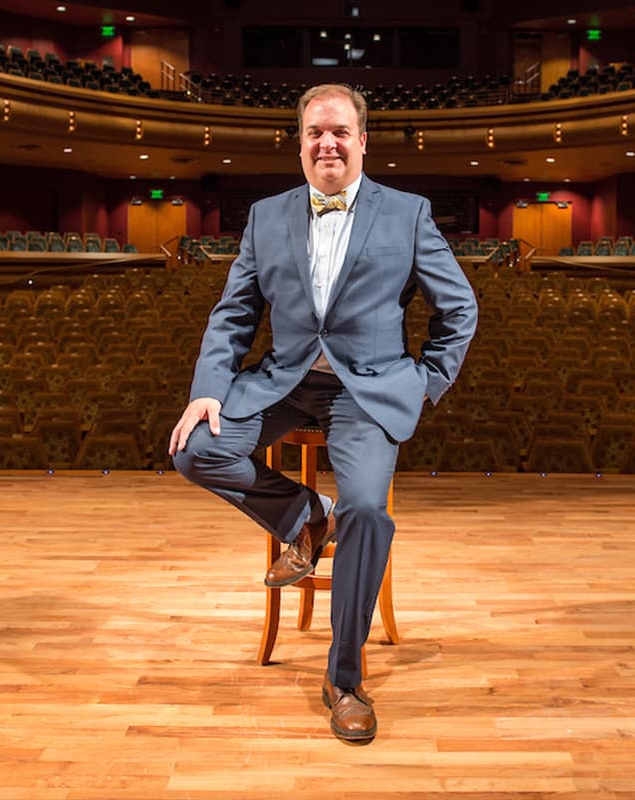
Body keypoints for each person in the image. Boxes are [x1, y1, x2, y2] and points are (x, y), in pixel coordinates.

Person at [170, 83, 478, 744]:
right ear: (300, 142)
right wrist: (208, 387)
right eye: (315, 133)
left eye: (340, 132)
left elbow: (460, 310)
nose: (327, 143)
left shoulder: (408, 213)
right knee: (194, 448)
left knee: (367, 509)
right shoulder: (266, 216)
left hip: (368, 389)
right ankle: (305, 516)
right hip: (287, 382)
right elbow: (233, 317)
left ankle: (344, 678)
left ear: (362, 140)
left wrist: (423, 383)